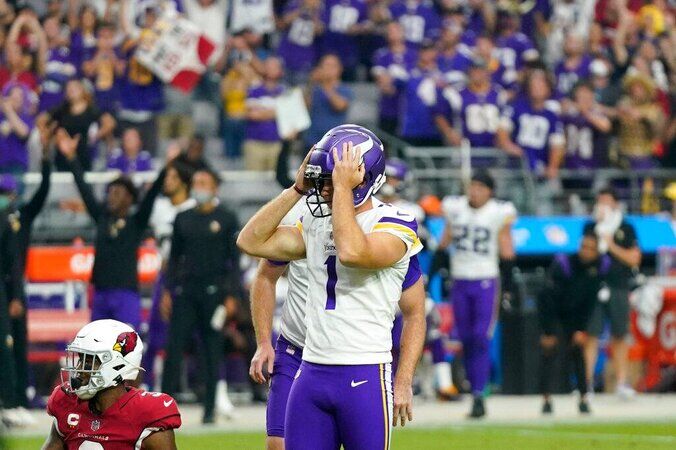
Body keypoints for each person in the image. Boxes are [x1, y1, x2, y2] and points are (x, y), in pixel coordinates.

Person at [237, 125, 426, 448]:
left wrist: (404, 379)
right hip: (310, 372)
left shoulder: (395, 224)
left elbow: (353, 252)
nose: (321, 190)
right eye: (320, 181)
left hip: (364, 372)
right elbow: (251, 241)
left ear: (361, 179)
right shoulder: (314, 222)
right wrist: (295, 190)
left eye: (327, 181)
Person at [55, 128, 167, 330]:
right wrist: (72, 158)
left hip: (126, 293)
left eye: (118, 192)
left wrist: (168, 167)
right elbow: (84, 189)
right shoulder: (101, 217)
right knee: (98, 345)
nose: (112, 195)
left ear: (130, 198)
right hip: (100, 292)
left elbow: (150, 198)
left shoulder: (137, 222)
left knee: (127, 346)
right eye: (111, 191)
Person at [162, 168, 242, 424]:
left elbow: (234, 261)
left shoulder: (227, 218)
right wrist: (167, 290)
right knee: (173, 350)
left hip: (214, 294)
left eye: (203, 182)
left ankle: (209, 411)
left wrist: (231, 295)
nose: (199, 186)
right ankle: (160, 410)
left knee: (211, 353)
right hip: (185, 292)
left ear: (214, 188)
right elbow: (173, 259)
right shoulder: (182, 218)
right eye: (196, 181)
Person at [439, 170, 517, 418]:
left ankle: (478, 394)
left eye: (480, 187)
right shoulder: (455, 208)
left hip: (486, 280)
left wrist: (511, 285)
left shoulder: (499, 212)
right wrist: (437, 270)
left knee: (481, 337)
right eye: (472, 186)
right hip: (460, 279)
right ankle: (474, 388)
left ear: (490, 191)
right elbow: (445, 241)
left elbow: (507, 251)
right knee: (465, 339)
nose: (474, 191)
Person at [41, 319, 181, 449]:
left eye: (88, 362)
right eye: (80, 360)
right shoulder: (67, 403)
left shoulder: (147, 413)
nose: (79, 369)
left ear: (117, 365)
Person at [4, 122, 54, 415]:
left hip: (15, 287)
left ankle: (21, 395)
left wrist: (46, 159)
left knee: (19, 343)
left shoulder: (21, 217)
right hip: (5, 284)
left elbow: (44, 191)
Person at [538, 233, 610, 415]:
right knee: (550, 353)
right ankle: (546, 398)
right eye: (583, 246)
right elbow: (547, 295)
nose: (585, 251)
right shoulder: (565, 264)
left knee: (578, 353)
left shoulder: (599, 268)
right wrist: (548, 330)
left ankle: (583, 398)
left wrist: (581, 329)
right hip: (555, 311)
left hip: (576, 315)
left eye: (590, 248)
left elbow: (590, 301)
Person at [142, 162, 196, 391]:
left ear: (183, 182)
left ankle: (205, 387)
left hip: (191, 277)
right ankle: (147, 386)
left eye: (172, 177)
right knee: (155, 336)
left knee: (198, 336)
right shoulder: (160, 208)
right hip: (165, 276)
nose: (167, 181)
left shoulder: (194, 208)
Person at [583, 188, 642, 399]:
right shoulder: (590, 227)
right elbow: (583, 257)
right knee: (591, 335)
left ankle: (621, 382)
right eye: (600, 201)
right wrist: (597, 239)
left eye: (607, 201)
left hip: (618, 286)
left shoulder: (626, 228)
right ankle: (586, 383)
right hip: (594, 287)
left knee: (619, 335)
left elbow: (634, 259)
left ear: (616, 203)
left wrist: (610, 244)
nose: (603, 205)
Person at [40, 78, 116, 171]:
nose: (71, 91)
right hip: (62, 155)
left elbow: (110, 123)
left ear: (82, 90)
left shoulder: (91, 110)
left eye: (74, 88)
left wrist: (96, 136)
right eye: (69, 88)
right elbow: (41, 119)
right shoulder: (62, 109)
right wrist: (48, 134)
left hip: (83, 154)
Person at [243, 57, 285, 171]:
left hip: (277, 143)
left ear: (280, 70)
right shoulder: (254, 90)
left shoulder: (285, 92)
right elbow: (251, 114)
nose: (271, 69)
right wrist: (276, 112)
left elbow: (290, 117)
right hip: (255, 143)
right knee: (254, 181)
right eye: (268, 66)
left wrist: (263, 111)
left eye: (274, 66)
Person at [305, 55, 353, 147]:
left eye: (332, 66)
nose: (328, 69)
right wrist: (311, 83)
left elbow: (339, 106)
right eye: (325, 65)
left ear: (339, 69)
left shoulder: (344, 89)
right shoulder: (315, 89)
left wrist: (325, 83)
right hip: (312, 140)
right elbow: (305, 107)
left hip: (334, 142)